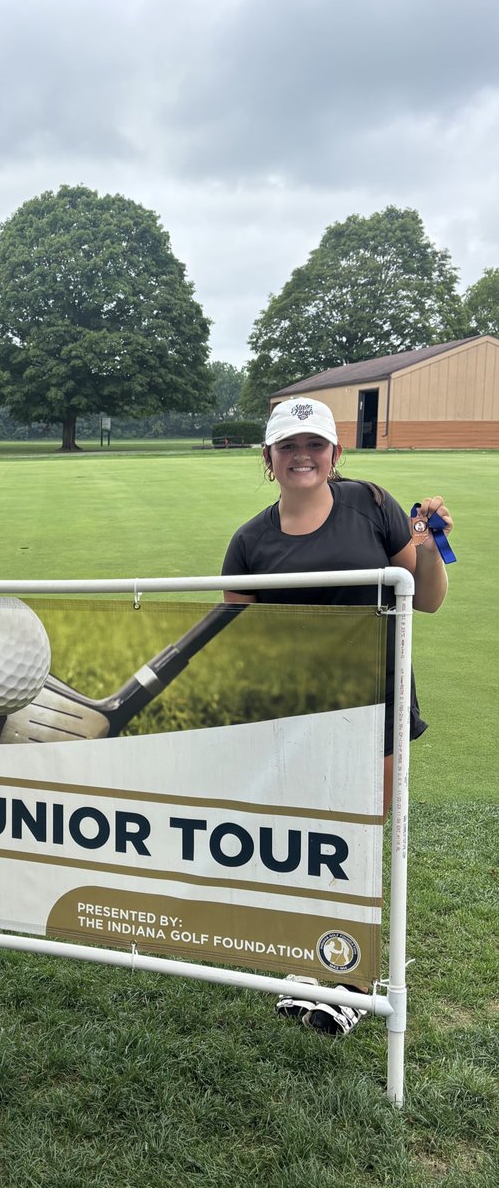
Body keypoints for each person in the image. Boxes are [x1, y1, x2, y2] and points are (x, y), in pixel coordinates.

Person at [221, 397, 453, 1033]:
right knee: (305, 838)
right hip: (296, 711)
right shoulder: (249, 541)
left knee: (355, 832)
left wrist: (429, 547)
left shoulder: (372, 505)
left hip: (374, 701)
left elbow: (425, 600)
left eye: (315, 445)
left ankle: (349, 975)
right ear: (267, 460)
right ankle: (309, 958)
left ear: (335, 455)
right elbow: (237, 636)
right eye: (288, 447)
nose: (303, 456)